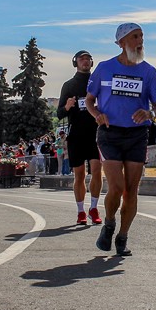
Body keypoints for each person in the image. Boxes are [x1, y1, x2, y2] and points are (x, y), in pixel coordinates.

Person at [86, 22, 156, 257]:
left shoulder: (149, 71)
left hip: (136, 135)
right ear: (121, 42)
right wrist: (96, 115)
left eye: (141, 36)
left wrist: (152, 113)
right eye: (134, 36)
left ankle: (123, 237)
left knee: (131, 191)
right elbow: (90, 100)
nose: (140, 40)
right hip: (110, 134)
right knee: (117, 187)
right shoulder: (104, 68)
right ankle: (109, 222)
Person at [58, 49, 103, 225]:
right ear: (75, 62)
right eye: (81, 59)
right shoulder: (68, 85)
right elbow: (59, 112)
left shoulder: (98, 82)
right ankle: (80, 211)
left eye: (88, 59)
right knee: (79, 175)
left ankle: (93, 208)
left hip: (96, 134)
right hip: (76, 135)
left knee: (97, 171)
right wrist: (68, 106)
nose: (85, 61)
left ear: (91, 63)